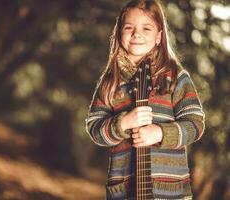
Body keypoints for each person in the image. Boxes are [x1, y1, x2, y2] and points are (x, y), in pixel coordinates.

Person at [85, 0, 205, 199]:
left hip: (169, 192)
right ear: (119, 33)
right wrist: (123, 123)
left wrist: (160, 133)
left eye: (146, 28)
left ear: (159, 36)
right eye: (129, 27)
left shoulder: (175, 76)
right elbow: (95, 129)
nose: (136, 34)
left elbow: (195, 124)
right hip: (124, 191)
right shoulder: (110, 82)